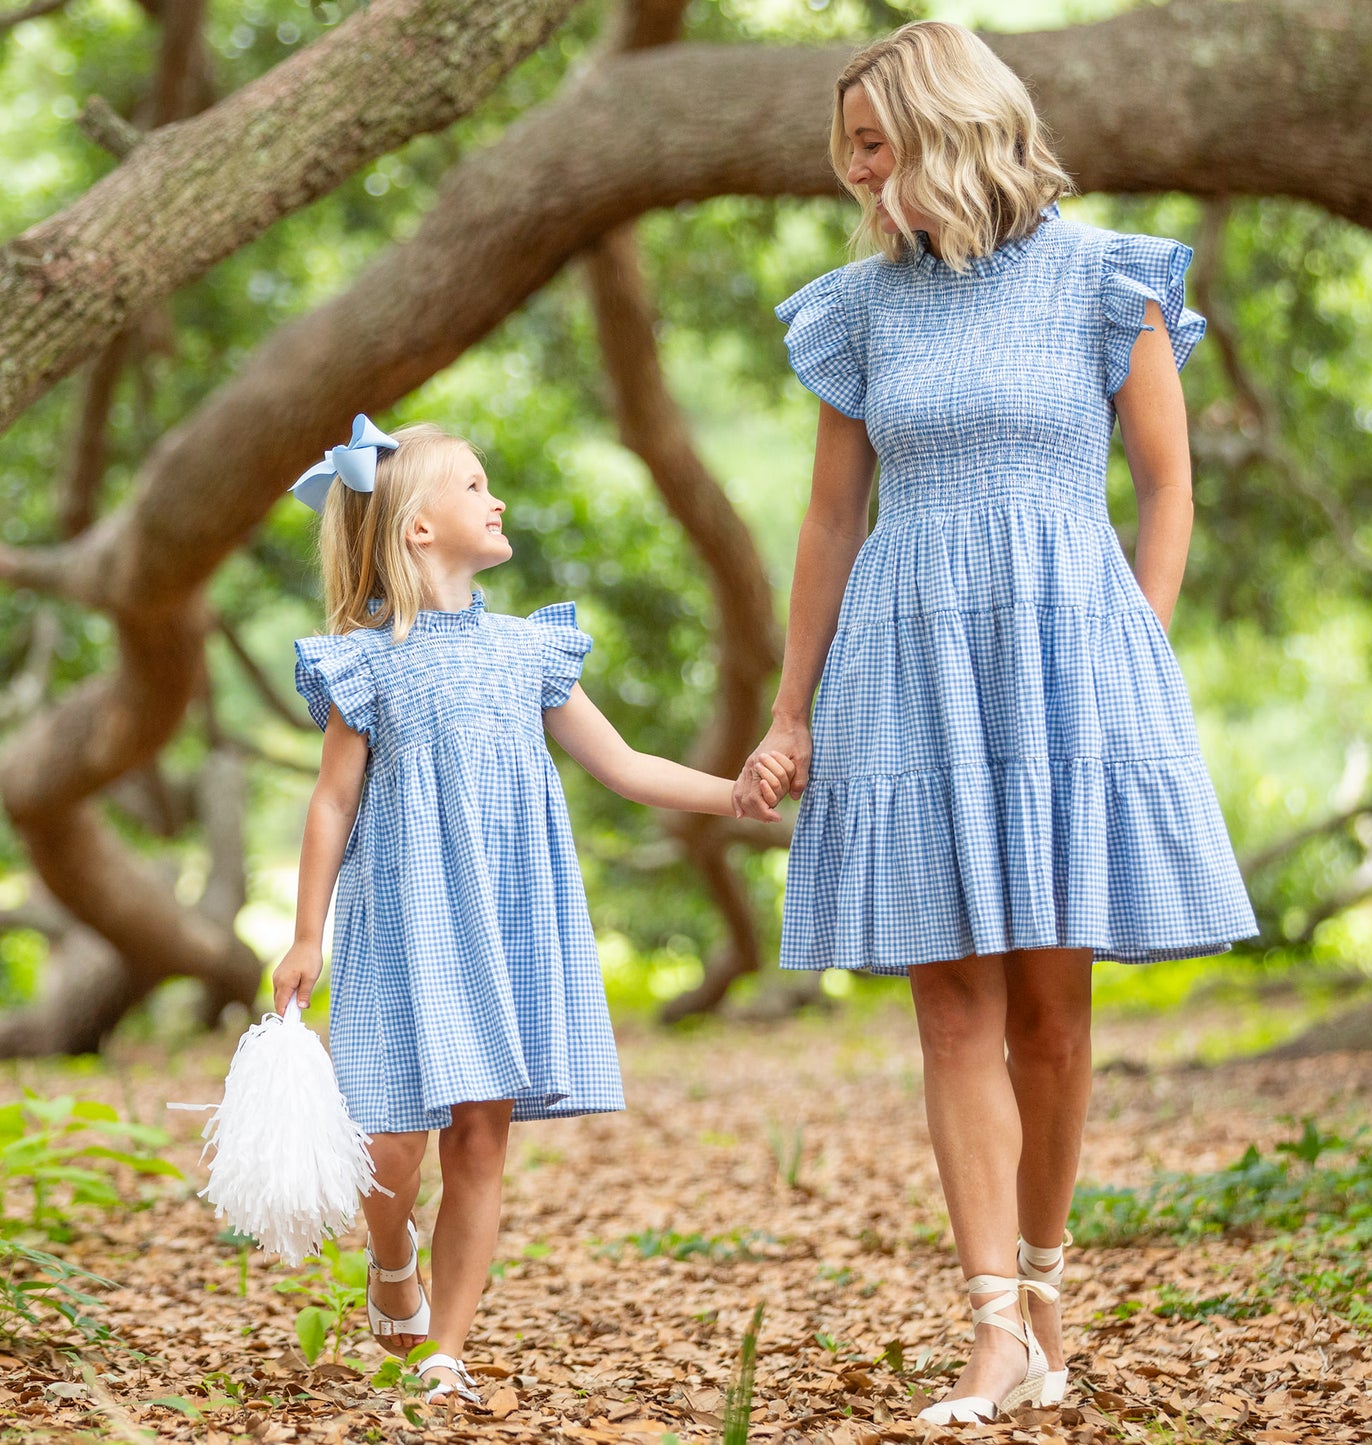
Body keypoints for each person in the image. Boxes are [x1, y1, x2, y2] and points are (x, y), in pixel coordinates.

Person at [732, 21, 1257, 1426]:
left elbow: (1165, 489)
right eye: (847, 149)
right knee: (948, 1003)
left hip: (1061, 657)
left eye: (867, 143)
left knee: (1052, 1013)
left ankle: (1044, 1292)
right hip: (905, 663)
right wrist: (792, 710)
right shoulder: (861, 305)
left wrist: (1129, 650)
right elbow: (831, 518)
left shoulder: (1107, 278)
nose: (851, 173)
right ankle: (990, 1332)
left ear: (945, 126)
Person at [272, 415, 792, 1405]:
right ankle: (391, 1254)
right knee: (389, 1138)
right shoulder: (364, 663)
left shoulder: (528, 650)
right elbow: (332, 800)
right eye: (473, 484)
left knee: (481, 1132)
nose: (494, 497)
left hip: (508, 920)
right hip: (407, 923)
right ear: (418, 528)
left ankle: (445, 1351)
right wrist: (305, 931)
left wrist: (733, 790)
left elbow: (626, 764)